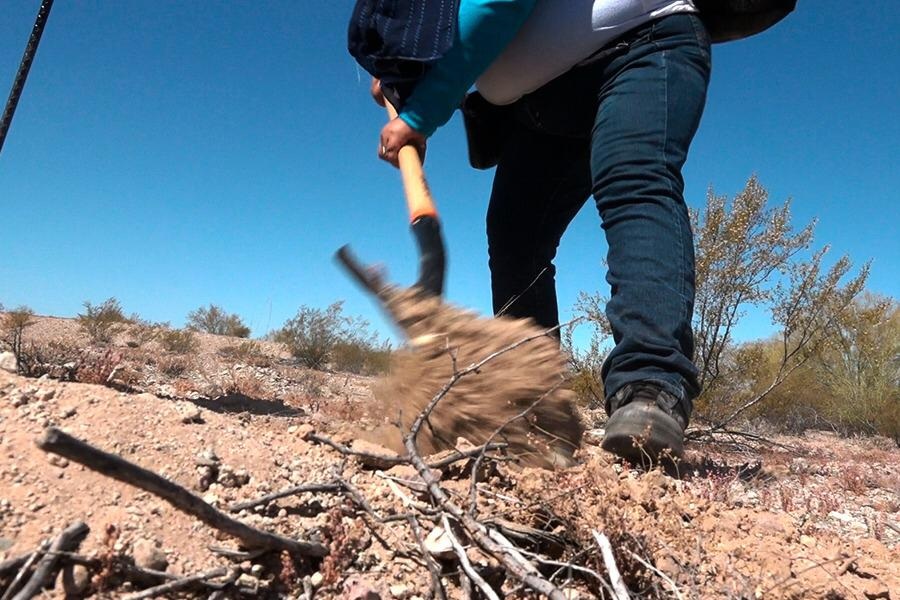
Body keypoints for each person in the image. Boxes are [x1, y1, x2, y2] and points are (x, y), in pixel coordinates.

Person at [371, 0, 711, 462]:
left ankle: (650, 388)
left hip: (642, 46)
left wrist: (419, 113)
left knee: (634, 178)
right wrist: (404, 72)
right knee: (515, 235)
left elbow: (499, 4)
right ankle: (533, 400)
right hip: (542, 104)